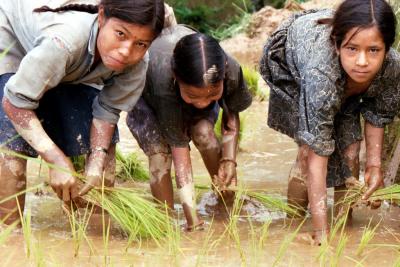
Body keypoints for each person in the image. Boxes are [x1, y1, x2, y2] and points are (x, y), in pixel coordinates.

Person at [0, 0, 165, 224]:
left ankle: (93, 236)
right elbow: (15, 101)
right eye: (120, 34)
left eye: (141, 44)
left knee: (103, 159)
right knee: (11, 150)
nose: (126, 51)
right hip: (12, 39)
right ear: (101, 17)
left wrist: (97, 159)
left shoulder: (135, 63)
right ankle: (11, 235)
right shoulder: (63, 42)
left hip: (70, 61)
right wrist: (56, 159)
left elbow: (107, 110)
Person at [260, 0, 400, 244]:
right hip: (293, 66)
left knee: (351, 149)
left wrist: (374, 167)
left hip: (335, 79)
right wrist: (321, 235)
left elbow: (377, 114)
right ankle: (293, 223)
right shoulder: (319, 75)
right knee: (307, 154)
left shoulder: (392, 68)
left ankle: (343, 224)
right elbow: (317, 155)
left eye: (374, 50)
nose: (362, 62)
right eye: (352, 49)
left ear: (387, 49)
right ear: (337, 46)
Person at [126, 25, 252, 230]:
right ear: (176, 78)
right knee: (160, 156)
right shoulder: (163, 80)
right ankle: (164, 220)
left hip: (189, 85)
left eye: (212, 95)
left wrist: (229, 161)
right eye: (193, 96)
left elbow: (231, 119)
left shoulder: (230, 71)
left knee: (204, 133)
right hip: (150, 98)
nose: (202, 104)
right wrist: (193, 221)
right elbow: (180, 152)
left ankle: (225, 198)